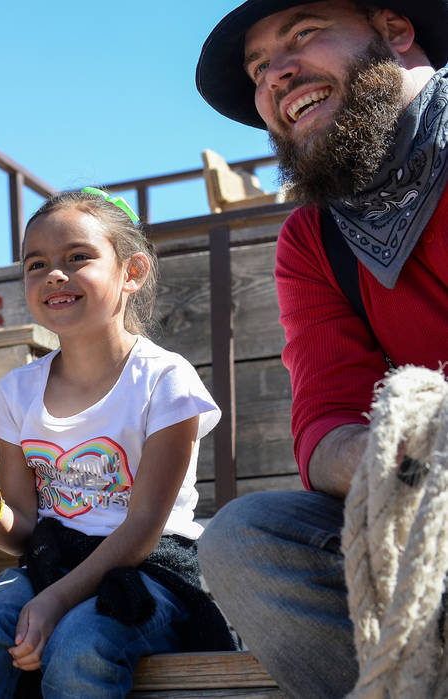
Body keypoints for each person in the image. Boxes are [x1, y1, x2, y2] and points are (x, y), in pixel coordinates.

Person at [194, 1, 448, 696]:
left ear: (396, 31)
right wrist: (410, 455)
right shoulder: (314, 239)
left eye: (303, 34)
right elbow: (327, 424)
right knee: (244, 541)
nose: (277, 73)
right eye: (257, 67)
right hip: (428, 504)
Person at [0, 189, 233, 699]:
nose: (54, 274)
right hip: (50, 564)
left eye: (78, 258)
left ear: (131, 272)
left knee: (80, 644)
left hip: (151, 569)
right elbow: (22, 532)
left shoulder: (165, 381)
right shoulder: (16, 392)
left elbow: (141, 530)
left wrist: (55, 601)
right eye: (37, 264)